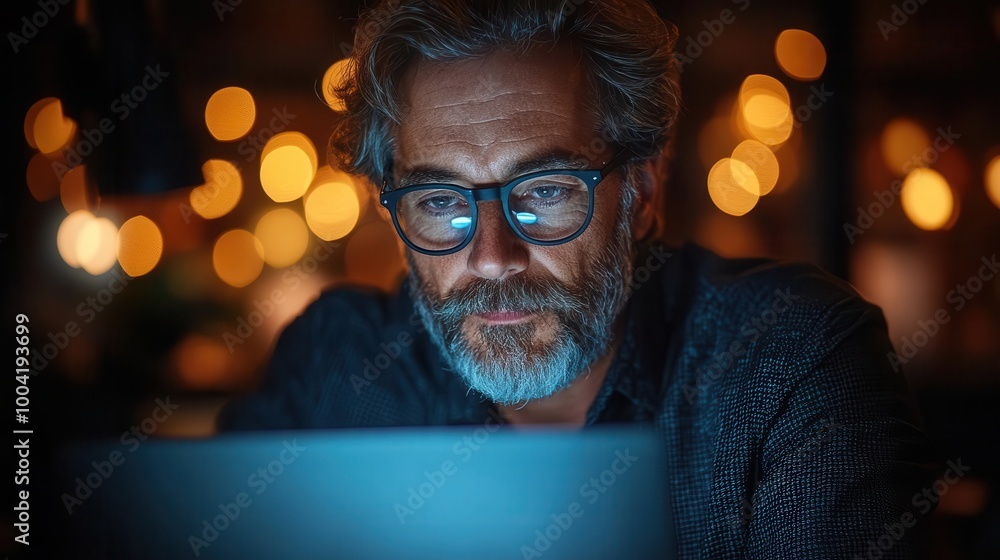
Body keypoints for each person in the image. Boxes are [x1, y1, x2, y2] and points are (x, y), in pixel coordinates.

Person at [219, 0, 937, 556]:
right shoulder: (333, 363)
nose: (492, 257)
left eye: (544, 190)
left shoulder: (793, 360)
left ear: (641, 194)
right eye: (440, 202)